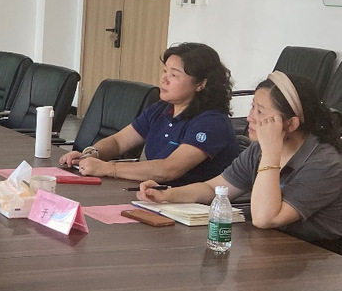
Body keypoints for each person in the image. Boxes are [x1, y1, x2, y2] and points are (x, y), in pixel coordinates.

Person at [138, 72, 342, 253]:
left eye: (260, 112)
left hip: (316, 255)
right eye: (253, 107)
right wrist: (167, 195)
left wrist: (270, 153)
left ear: (291, 124)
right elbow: (213, 189)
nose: (250, 118)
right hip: (270, 245)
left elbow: (266, 219)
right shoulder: (259, 149)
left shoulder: (324, 164)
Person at [60, 42, 238, 186]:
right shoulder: (161, 109)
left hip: (193, 207)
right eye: (165, 71)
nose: (164, 79)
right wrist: (91, 154)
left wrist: (108, 169)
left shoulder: (211, 122)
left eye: (174, 75)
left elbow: (169, 169)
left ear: (201, 84)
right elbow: (118, 142)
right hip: (157, 195)